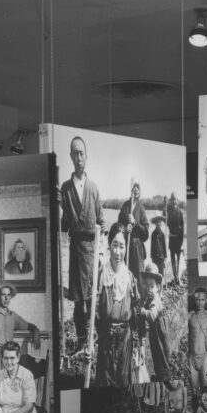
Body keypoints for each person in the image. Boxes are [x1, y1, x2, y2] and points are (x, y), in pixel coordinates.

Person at [59, 135, 105, 339]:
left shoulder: (93, 188)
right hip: (76, 252)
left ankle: (93, 339)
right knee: (78, 300)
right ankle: (80, 340)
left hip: (92, 251)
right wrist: (58, 207)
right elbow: (64, 225)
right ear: (70, 156)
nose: (78, 158)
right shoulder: (65, 189)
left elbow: (102, 222)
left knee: (92, 298)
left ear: (86, 157)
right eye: (74, 154)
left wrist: (102, 252)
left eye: (81, 154)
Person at [93, 223, 139, 389]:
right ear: (108, 246)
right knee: (105, 382)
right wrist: (93, 336)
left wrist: (138, 340)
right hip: (106, 339)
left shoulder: (130, 278)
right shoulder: (101, 276)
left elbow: (136, 310)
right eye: (115, 245)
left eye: (122, 246)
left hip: (125, 340)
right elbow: (94, 310)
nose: (118, 252)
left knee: (123, 381)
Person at [0, 283, 41, 371]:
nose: (6, 298)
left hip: (10, 359)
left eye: (8, 295)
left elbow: (30, 326)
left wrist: (36, 332)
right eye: (3, 295)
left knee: (10, 384)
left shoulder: (13, 316)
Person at [117, 180, 150, 294]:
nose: (136, 189)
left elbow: (145, 234)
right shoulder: (125, 206)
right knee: (125, 273)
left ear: (140, 192)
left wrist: (135, 223)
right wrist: (125, 230)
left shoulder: (141, 209)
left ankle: (139, 303)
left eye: (138, 187)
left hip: (137, 248)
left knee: (138, 275)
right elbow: (118, 225)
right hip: (125, 245)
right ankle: (126, 301)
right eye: (134, 187)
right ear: (131, 190)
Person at [138, 268, 170, 381]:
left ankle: (164, 376)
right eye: (146, 286)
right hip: (154, 332)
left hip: (160, 331)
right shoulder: (148, 299)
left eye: (152, 286)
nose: (149, 289)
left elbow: (151, 316)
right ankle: (159, 374)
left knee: (161, 353)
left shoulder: (156, 300)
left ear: (157, 287)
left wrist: (142, 311)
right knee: (155, 352)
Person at [188, 287, 207, 390]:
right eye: (197, 300)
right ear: (195, 300)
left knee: (206, 389)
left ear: (206, 300)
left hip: (205, 358)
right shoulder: (189, 316)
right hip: (192, 358)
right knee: (194, 390)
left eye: (202, 300)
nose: (200, 303)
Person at [165, 192, 185, 286]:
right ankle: (174, 277)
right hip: (171, 239)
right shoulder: (168, 211)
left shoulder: (180, 212)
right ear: (171, 200)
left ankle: (179, 279)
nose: (174, 201)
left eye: (175, 199)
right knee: (173, 260)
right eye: (172, 199)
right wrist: (164, 204)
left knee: (179, 260)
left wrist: (182, 242)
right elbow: (165, 221)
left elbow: (182, 227)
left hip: (178, 239)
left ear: (177, 200)